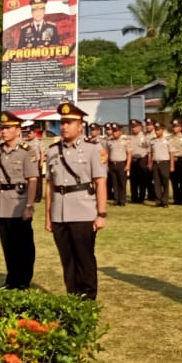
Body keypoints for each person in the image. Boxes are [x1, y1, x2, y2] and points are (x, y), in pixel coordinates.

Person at [44, 102, 108, 299]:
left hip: (83, 210)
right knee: (67, 258)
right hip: (59, 213)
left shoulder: (92, 149)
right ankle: (72, 295)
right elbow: (49, 186)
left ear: (81, 126)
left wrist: (101, 214)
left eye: (70, 122)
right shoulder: (52, 151)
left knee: (84, 257)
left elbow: (100, 182)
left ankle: (88, 296)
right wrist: (48, 216)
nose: (64, 126)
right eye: (62, 122)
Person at [0, 112, 40, 289]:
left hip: (19, 202)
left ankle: (23, 280)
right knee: (7, 244)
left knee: (23, 244)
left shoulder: (27, 151)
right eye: (2, 128)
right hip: (2, 203)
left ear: (17, 130)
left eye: (7, 128)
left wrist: (29, 205)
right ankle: (11, 279)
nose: (3, 131)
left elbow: (32, 179)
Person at [104, 123, 131, 207]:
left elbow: (129, 154)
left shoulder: (125, 141)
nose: (114, 133)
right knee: (114, 183)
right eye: (113, 131)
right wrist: (107, 165)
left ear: (120, 131)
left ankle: (122, 200)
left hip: (121, 164)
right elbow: (107, 154)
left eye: (116, 131)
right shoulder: (109, 142)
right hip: (112, 164)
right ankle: (116, 200)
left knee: (122, 183)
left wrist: (128, 165)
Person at [147, 121, 173, 208]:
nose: (157, 131)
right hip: (155, 163)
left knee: (165, 182)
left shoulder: (168, 140)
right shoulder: (152, 141)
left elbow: (171, 153)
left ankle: (165, 201)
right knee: (156, 183)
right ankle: (158, 200)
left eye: (158, 130)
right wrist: (150, 163)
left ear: (163, 130)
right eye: (156, 130)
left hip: (164, 163)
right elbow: (150, 153)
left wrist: (172, 165)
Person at [167, 119, 182, 205]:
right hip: (172, 160)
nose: (174, 128)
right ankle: (176, 199)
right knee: (174, 181)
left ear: (180, 128)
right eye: (173, 126)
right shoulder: (169, 138)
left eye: (176, 126)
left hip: (181, 160)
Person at [128, 120, 149, 203]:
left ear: (140, 127)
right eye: (132, 127)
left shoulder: (144, 137)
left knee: (142, 180)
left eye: (135, 126)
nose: (133, 128)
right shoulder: (129, 138)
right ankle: (134, 197)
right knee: (133, 180)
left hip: (142, 160)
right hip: (132, 160)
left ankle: (141, 198)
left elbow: (149, 149)